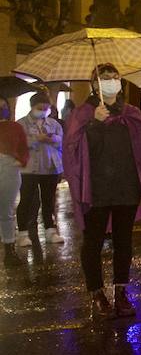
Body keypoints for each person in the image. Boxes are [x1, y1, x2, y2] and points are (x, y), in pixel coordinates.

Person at [63, 65, 141, 319]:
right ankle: (97, 294)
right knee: (93, 242)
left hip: (126, 187)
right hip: (96, 189)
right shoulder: (84, 114)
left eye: (115, 77)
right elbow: (72, 150)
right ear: (94, 84)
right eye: (104, 78)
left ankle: (121, 292)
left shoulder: (131, 112)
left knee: (124, 242)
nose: (111, 82)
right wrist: (94, 124)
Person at [17, 88, 63, 255]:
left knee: (49, 200)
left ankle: (51, 230)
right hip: (28, 169)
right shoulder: (21, 124)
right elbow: (20, 145)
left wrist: (52, 139)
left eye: (46, 108)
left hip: (50, 167)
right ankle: (22, 233)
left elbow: (61, 142)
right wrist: (36, 139)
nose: (43, 111)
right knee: (27, 201)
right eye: (40, 108)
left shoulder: (53, 124)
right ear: (32, 107)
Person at [0, 95, 29, 267]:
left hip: (9, 168)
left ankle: (9, 249)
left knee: (6, 211)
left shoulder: (15, 127)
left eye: (3, 105)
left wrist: (20, 160)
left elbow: (23, 148)